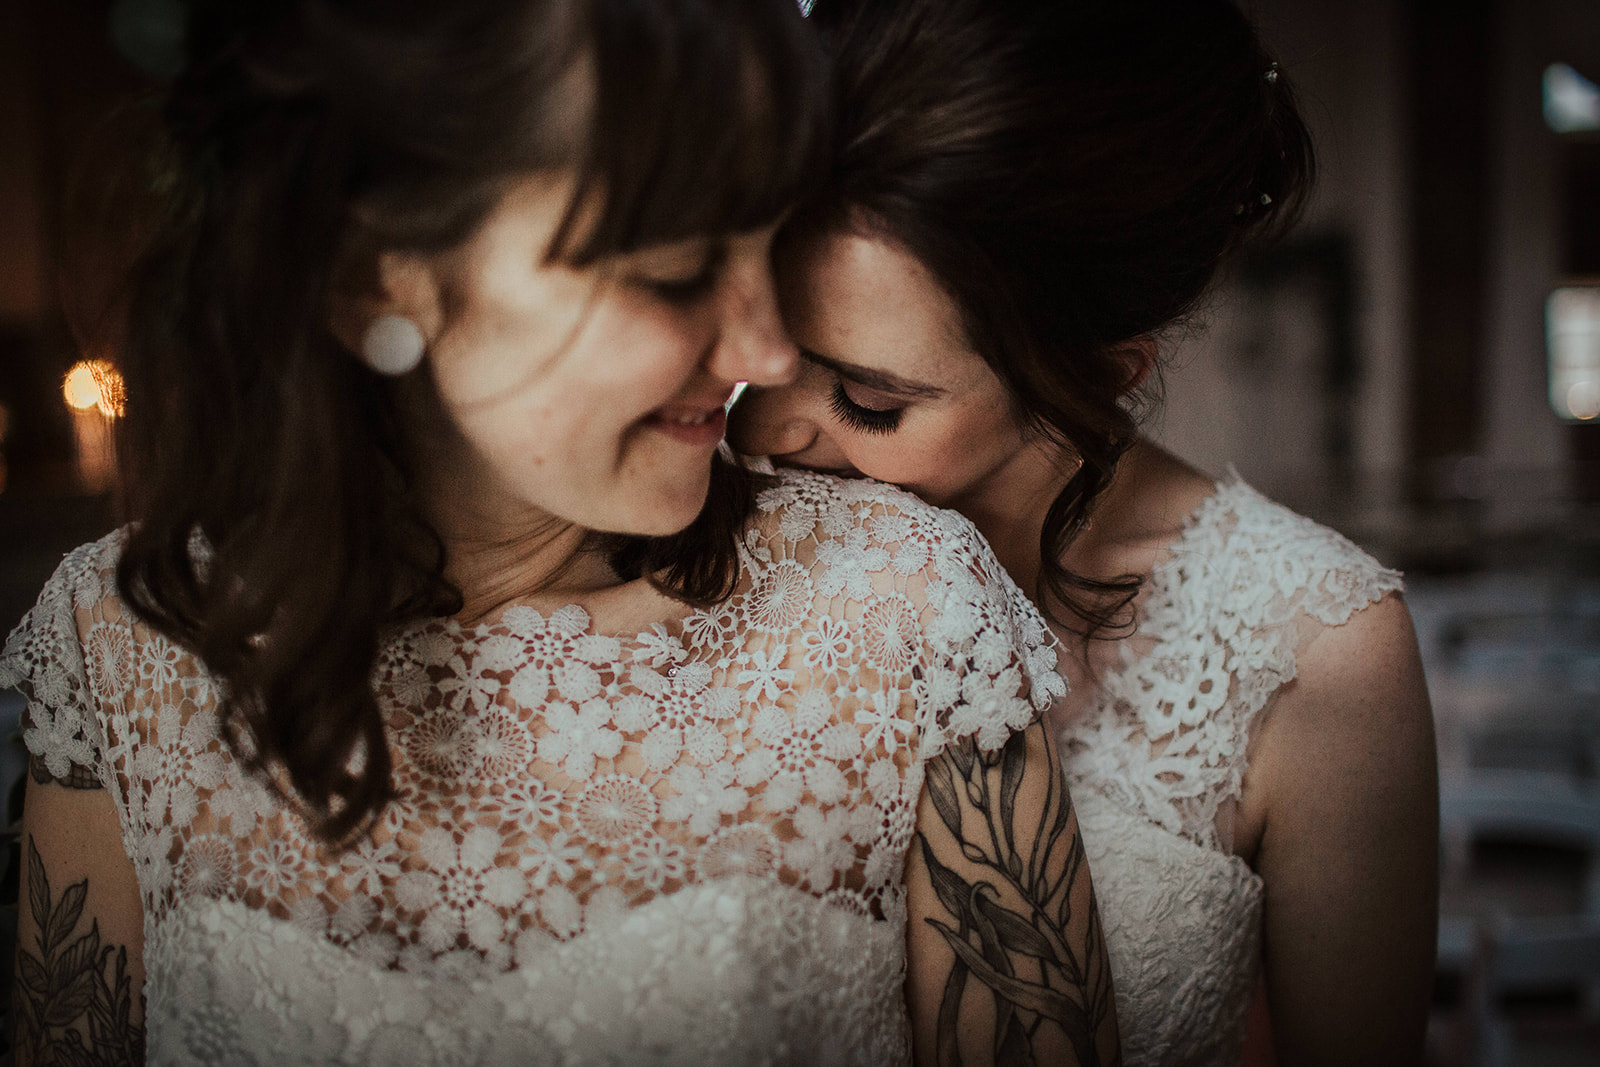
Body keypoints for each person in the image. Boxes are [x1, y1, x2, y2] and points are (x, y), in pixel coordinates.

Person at [1, 1, 1121, 1063]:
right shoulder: (123, 645)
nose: (768, 353)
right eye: (675, 271)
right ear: (366, 278)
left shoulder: (898, 607)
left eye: (768, 244)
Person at [730, 0, 1439, 1063]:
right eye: (763, 337)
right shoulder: (690, 508)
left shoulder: (1317, 651)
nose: (766, 426)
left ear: (1095, 375)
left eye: (869, 400)